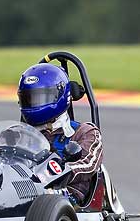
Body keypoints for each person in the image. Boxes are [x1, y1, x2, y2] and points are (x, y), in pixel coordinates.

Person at [17, 62, 103, 204]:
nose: (33, 103)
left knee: (46, 201)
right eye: (28, 99)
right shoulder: (19, 134)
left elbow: (89, 164)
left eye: (40, 98)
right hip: (25, 194)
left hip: (69, 198)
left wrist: (61, 173)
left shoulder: (85, 132)